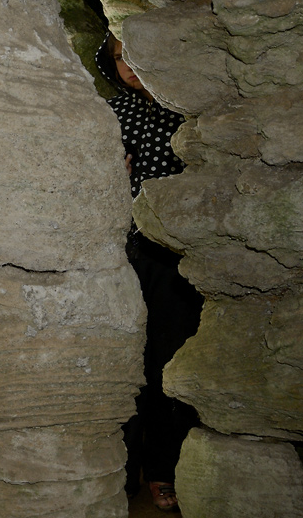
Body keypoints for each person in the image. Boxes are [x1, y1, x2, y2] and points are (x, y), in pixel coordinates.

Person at [96, 33, 203, 512]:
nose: (130, 65)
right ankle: (120, 472)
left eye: (138, 53)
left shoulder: (190, 111)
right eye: (120, 57)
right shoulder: (114, 113)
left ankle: (162, 471)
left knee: (166, 363)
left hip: (176, 260)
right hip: (124, 254)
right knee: (123, 364)